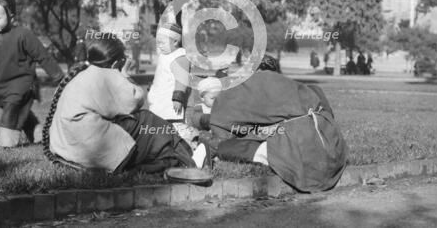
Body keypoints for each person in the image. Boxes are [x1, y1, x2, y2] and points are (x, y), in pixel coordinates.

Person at [43, 35, 198, 173]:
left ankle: (175, 156)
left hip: (66, 149)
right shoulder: (107, 75)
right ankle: (184, 156)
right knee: (147, 120)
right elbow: (136, 100)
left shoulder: (83, 73)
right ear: (117, 62)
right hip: (88, 151)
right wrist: (124, 75)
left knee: (138, 124)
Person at [205, 55, 348, 192]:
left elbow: (221, 123)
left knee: (226, 147)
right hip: (332, 152)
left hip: (301, 154)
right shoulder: (303, 88)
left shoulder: (256, 85)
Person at [0, 0, 65, 148]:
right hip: (2, 85)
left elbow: (42, 56)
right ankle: (39, 135)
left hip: (23, 83)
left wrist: (58, 76)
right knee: (20, 112)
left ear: (11, 16)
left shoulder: (23, 34)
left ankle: (7, 144)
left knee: (11, 110)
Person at [146, 23, 192, 137]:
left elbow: (182, 80)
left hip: (170, 101)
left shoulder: (179, 56)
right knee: (159, 122)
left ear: (175, 42)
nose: (160, 46)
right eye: (158, 43)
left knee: (171, 125)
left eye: (163, 43)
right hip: (160, 99)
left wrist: (178, 98)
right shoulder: (165, 55)